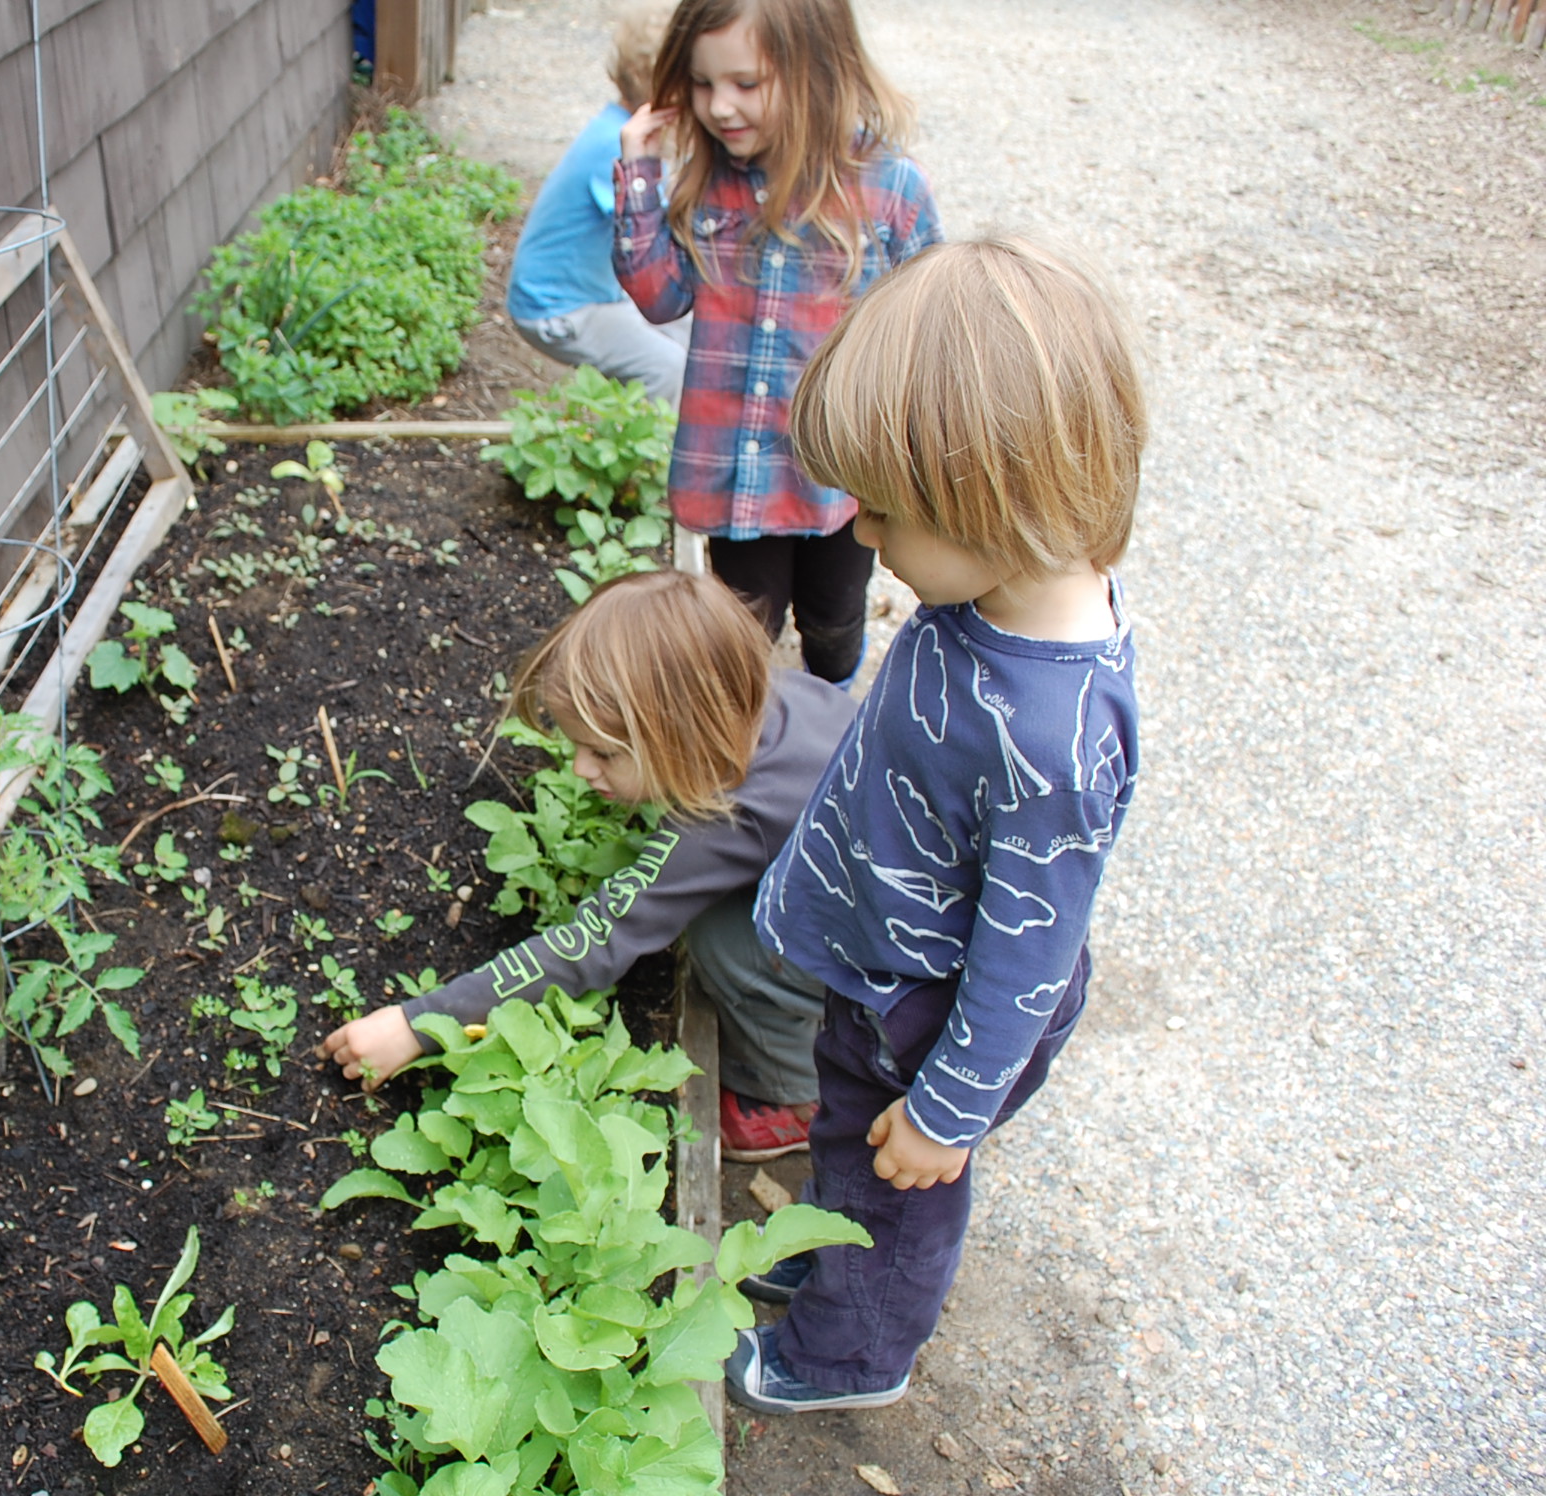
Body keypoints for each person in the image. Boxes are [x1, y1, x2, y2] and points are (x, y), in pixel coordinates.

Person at [727, 237, 1148, 1414]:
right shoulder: (993, 585)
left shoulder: (1056, 738)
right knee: (850, 1144)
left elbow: (1030, 956)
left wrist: (950, 1110)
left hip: (932, 1013)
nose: (860, 536)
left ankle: (846, 1355)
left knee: (897, 1180)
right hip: (887, 963)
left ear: (996, 503)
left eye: (887, 511)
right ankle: (836, 1254)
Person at [316, 568, 856, 1160]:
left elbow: (593, 941)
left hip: (891, 982)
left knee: (722, 943)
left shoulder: (728, 818)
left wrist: (418, 1023)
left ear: (687, 734)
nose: (579, 769)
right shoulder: (774, 698)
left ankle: (790, 1097)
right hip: (898, 910)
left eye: (602, 752)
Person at [613, 0, 941, 682]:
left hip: (842, 478)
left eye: (746, 84)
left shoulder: (888, 188)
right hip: (739, 471)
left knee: (833, 618)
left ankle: (831, 732)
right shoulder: (708, 183)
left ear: (818, 70)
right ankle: (746, 757)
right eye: (702, 85)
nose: (719, 107)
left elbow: (932, 329)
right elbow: (657, 295)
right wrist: (639, 168)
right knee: (740, 634)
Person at [506, 1, 692, 404]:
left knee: (687, 325)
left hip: (591, 293)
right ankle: (651, 451)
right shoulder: (616, 144)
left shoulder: (616, 125)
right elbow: (653, 237)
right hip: (559, 309)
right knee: (665, 367)